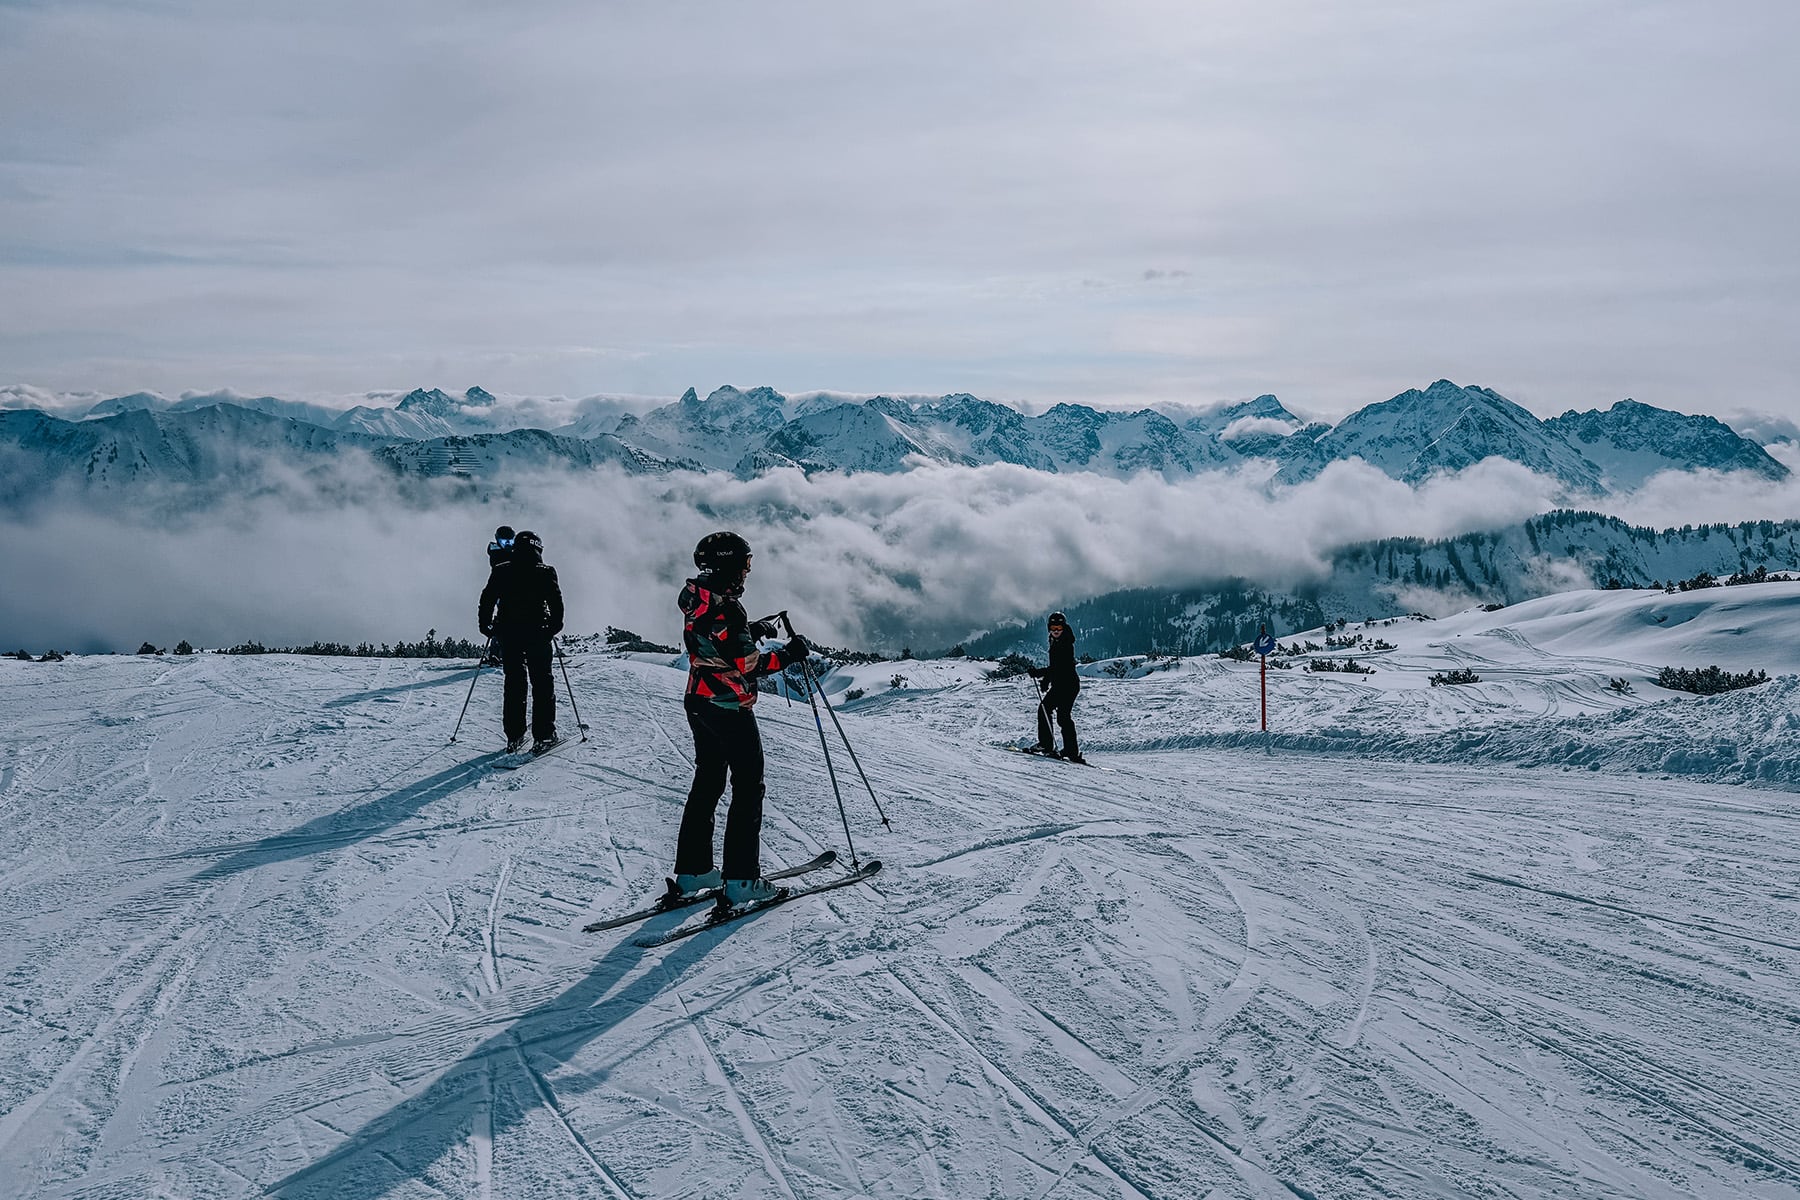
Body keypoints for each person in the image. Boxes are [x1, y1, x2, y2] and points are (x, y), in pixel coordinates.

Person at [673, 531, 810, 905]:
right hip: (728, 705)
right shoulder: (728, 608)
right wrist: (790, 654)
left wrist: (752, 630)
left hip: (698, 700)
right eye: (744, 565)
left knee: (708, 780)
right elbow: (748, 664)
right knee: (748, 785)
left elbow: (713, 638)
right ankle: (741, 880)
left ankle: (693, 871)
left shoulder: (698, 598)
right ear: (729, 566)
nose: (746, 574)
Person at [478, 529, 563, 753]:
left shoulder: (501, 570)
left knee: (514, 683)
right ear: (538, 548)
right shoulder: (545, 572)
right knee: (542, 684)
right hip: (537, 634)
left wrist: (486, 626)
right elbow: (557, 605)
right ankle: (544, 736)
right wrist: (552, 629)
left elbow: (487, 598)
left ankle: (514, 736)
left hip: (509, 634)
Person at [1029, 611, 1084, 763]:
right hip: (1062, 684)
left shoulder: (1065, 644)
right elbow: (1055, 667)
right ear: (1049, 628)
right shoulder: (1056, 641)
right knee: (1055, 713)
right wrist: (1046, 680)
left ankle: (1049, 746)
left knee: (1054, 713)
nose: (1056, 630)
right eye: (1053, 627)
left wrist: (1040, 673)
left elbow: (1059, 668)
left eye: (1058, 627)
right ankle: (1068, 750)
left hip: (1068, 685)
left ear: (1064, 627)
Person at [481, 527, 516, 665]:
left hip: (513, 590)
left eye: (510, 541)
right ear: (498, 540)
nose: (508, 544)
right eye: (504, 541)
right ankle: (497, 653)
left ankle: (509, 652)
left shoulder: (512, 550)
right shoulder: (496, 551)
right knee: (504, 619)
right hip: (501, 590)